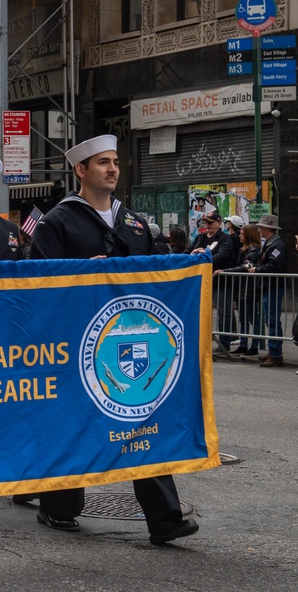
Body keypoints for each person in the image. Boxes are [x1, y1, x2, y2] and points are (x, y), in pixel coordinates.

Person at [30, 133, 199, 545]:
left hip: (127, 339)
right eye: (103, 162)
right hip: (76, 344)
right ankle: (59, 507)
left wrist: (187, 268)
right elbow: (33, 282)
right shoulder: (58, 222)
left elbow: (156, 273)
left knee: (143, 420)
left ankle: (165, 518)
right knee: (72, 422)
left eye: (115, 162)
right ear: (81, 170)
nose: (112, 169)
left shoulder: (135, 222)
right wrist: (80, 274)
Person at [189, 211, 235, 352]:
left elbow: (222, 255)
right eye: (206, 222)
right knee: (201, 312)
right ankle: (202, 341)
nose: (207, 225)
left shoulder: (225, 238)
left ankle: (224, 343)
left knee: (223, 312)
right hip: (203, 281)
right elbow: (188, 251)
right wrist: (191, 255)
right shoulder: (200, 238)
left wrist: (204, 257)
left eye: (210, 222)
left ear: (218, 222)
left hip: (220, 282)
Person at [217, 224, 263, 356]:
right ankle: (243, 344)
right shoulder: (244, 250)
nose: (240, 236)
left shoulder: (254, 250)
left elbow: (245, 267)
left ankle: (254, 346)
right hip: (242, 287)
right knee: (243, 317)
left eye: (242, 234)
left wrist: (225, 271)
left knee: (253, 317)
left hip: (250, 287)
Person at [251, 214, 287, 367]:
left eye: (260, 227)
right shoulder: (272, 243)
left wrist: (257, 270)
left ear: (267, 228)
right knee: (270, 320)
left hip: (272, 286)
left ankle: (276, 354)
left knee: (272, 320)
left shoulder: (277, 245)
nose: (258, 229)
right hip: (269, 286)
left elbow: (275, 266)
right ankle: (273, 351)